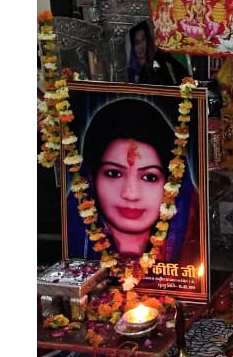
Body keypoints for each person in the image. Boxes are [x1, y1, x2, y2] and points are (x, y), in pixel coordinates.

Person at [65, 96, 201, 267]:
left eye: (149, 177)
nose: (131, 194)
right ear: (91, 180)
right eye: (113, 173)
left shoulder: (193, 247)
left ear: (173, 184)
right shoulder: (71, 241)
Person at [126, 20, 182, 86]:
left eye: (143, 39)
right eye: (137, 42)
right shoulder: (129, 73)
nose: (141, 46)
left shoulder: (162, 60)